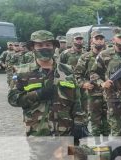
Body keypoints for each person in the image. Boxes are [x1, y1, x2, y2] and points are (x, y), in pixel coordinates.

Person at [7, 30, 87, 159]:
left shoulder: (66, 70)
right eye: (40, 45)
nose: (44, 48)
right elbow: (13, 99)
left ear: (54, 47)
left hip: (66, 132)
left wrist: (79, 123)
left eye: (48, 45)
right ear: (32, 47)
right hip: (38, 133)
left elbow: (78, 99)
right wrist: (37, 94)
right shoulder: (22, 72)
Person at [75, 31, 110, 144]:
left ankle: (106, 145)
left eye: (101, 38)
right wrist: (84, 84)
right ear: (92, 41)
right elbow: (77, 75)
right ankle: (97, 145)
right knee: (95, 122)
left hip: (108, 93)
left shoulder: (109, 56)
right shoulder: (85, 57)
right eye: (97, 38)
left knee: (108, 121)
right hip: (92, 94)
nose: (99, 40)